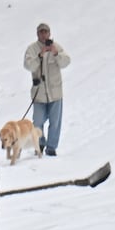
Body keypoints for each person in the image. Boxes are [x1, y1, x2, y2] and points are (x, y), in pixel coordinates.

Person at [23, 22, 71, 156]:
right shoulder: (32, 49)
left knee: (55, 122)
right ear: (37, 34)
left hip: (55, 93)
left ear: (50, 33)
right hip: (39, 94)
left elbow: (66, 61)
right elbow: (28, 66)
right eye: (41, 32)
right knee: (37, 121)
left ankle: (51, 147)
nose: (44, 35)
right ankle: (40, 142)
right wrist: (40, 55)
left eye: (46, 32)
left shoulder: (56, 47)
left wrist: (55, 54)